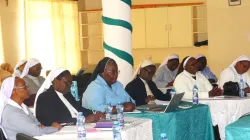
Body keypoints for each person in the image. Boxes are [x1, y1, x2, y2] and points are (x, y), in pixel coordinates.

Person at [35, 67, 104, 126]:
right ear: (56, 81)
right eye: (67, 82)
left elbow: (79, 108)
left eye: (71, 83)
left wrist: (94, 114)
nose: (70, 85)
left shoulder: (67, 94)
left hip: (79, 126)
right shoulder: (45, 98)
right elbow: (54, 120)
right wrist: (82, 120)